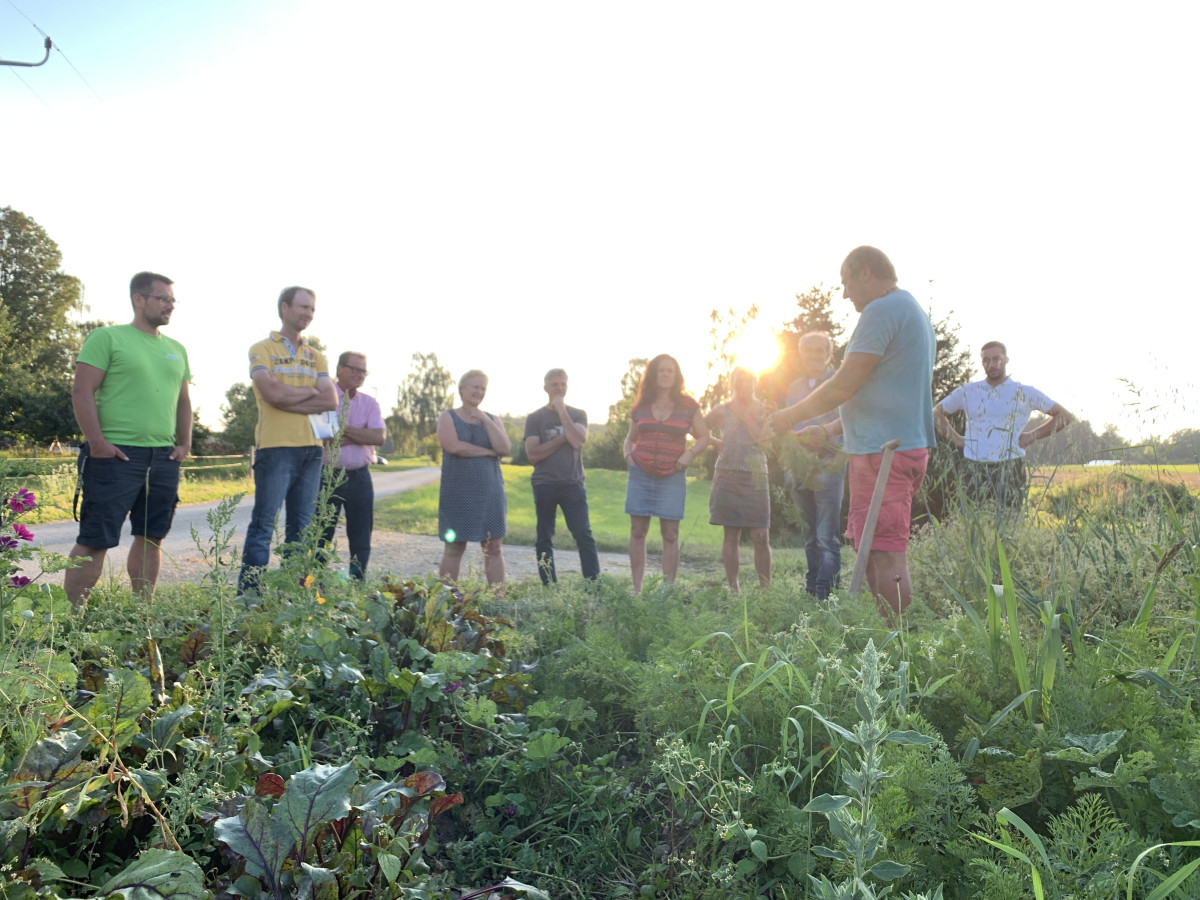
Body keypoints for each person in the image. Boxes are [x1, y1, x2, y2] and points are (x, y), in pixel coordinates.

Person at [768, 247, 935, 618]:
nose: (844, 294)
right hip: (889, 447)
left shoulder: (882, 310)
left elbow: (844, 385)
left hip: (886, 453)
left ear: (864, 273)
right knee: (873, 551)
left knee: (886, 555)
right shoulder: (912, 313)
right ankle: (886, 641)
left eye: (845, 282)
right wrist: (828, 429)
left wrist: (789, 415)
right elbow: (880, 392)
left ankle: (902, 651)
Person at [64, 272, 192, 609]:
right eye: (163, 298)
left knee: (151, 538)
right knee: (95, 539)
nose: (170, 306)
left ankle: (141, 616)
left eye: (172, 300)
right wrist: (99, 444)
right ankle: (71, 623)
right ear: (139, 299)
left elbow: (183, 402)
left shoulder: (176, 349)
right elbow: (82, 391)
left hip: (163, 457)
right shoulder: (107, 338)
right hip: (116, 455)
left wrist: (184, 444)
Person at [238, 286, 338, 594]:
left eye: (312, 309)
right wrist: (310, 392)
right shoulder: (262, 348)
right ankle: (249, 597)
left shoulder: (316, 356)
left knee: (301, 531)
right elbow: (270, 393)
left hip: (311, 450)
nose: (308, 314)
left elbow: (331, 400)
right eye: (303, 307)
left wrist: (289, 397)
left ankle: (291, 596)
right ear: (284, 308)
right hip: (275, 448)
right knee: (263, 526)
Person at [934, 341, 1072, 511]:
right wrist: (956, 439)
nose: (991, 364)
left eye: (996, 359)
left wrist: (1031, 436)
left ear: (1006, 359)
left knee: (1009, 524)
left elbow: (1064, 416)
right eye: (986, 360)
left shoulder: (1024, 392)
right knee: (971, 525)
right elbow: (936, 413)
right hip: (973, 466)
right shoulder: (968, 391)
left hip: (1011, 467)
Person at [623, 354, 709, 594]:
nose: (665, 374)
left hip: (672, 475)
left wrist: (689, 455)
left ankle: (666, 592)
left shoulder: (688, 406)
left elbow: (703, 437)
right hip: (640, 473)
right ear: (653, 374)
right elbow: (630, 439)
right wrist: (628, 456)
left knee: (670, 533)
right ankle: (637, 589)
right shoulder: (640, 406)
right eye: (661, 370)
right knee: (637, 531)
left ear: (677, 375)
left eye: (670, 370)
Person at [523, 368, 601, 585]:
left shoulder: (578, 414)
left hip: (572, 484)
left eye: (562, 384)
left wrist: (560, 410)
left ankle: (593, 585)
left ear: (567, 387)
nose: (559, 388)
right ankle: (549, 585)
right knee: (544, 537)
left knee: (583, 534)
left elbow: (577, 441)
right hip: (544, 484)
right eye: (555, 384)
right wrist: (562, 439)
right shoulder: (534, 418)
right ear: (546, 387)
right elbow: (533, 454)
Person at [785, 332, 847, 600]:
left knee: (826, 536)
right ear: (801, 354)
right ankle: (812, 589)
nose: (813, 355)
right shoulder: (794, 388)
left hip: (828, 465)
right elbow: (789, 426)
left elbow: (847, 421)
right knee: (809, 534)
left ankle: (828, 592)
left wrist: (837, 458)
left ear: (827, 353)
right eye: (807, 350)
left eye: (818, 350)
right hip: (799, 467)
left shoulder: (838, 381)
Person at [437, 370, 512, 587]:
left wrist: (484, 420)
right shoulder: (447, 416)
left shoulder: (493, 419)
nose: (479, 392)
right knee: (454, 547)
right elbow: (453, 446)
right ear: (462, 389)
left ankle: (497, 598)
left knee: (493, 547)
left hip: (490, 493)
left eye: (483, 388)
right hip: (458, 493)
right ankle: (446, 598)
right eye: (475, 387)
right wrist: (488, 452)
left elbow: (504, 447)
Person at [319, 351, 385, 581]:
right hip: (326, 476)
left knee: (361, 534)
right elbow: (321, 438)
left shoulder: (369, 403)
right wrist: (361, 434)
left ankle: (357, 583)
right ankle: (314, 586)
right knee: (320, 533)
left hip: (359, 477)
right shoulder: (324, 398)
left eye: (363, 370)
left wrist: (343, 432)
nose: (359, 375)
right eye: (354, 369)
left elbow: (378, 437)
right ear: (339, 369)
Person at [705, 367, 770, 592]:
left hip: (756, 477)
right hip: (727, 475)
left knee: (760, 535)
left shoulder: (764, 410)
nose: (744, 386)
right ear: (732, 385)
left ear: (755, 383)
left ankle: (766, 591)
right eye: (739, 382)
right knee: (731, 534)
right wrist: (716, 442)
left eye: (748, 382)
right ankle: (734, 589)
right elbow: (699, 428)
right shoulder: (722, 410)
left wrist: (744, 416)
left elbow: (766, 442)